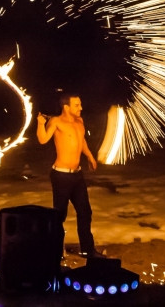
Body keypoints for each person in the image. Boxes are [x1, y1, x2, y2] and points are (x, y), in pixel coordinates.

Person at [37, 93, 104, 258]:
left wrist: (89, 156)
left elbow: (82, 142)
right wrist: (40, 124)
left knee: (85, 212)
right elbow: (43, 139)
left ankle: (88, 250)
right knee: (59, 215)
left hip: (77, 175)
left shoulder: (79, 121)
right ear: (66, 107)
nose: (81, 108)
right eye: (77, 105)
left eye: (80, 104)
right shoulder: (56, 122)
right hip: (61, 176)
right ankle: (56, 252)